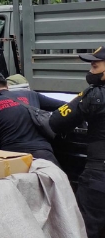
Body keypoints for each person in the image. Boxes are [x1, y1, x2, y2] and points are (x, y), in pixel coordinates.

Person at [49, 47, 105, 238]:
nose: (91, 70)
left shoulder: (95, 95)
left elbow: (57, 121)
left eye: (95, 66)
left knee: (86, 229)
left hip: (99, 175)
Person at [0, 70, 65, 165]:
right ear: (6, 85)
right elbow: (64, 107)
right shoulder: (31, 94)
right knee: (55, 178)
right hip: (44, 154)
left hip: (15, 157)